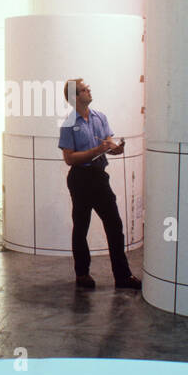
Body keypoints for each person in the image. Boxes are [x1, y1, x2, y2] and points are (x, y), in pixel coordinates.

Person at [57, 78, 141, 291]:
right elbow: (69, 158)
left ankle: (123, 276)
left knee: (115, 226)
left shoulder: (100, 117)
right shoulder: (68, 124)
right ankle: (82, 274)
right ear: (75, 97)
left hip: (99, 177)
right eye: (85, 90)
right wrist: (95, 151)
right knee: (81, 227)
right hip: (80, 179)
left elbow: (108, 143)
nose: (89, 91)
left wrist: (115, 149)